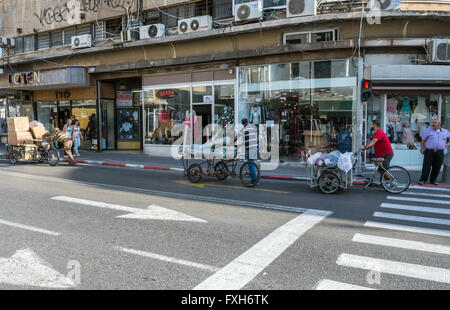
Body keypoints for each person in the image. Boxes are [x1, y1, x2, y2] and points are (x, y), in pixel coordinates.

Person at [419, 119, 450, 185]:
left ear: (439, 124)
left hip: (440, 152)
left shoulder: (446, 132)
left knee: (437, 166)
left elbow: (449, 138)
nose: (433, 124)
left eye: (435, 122)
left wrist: (447, 144)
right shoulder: (428, 131)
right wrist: (422, 148)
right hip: (429, 151)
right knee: (426, 166)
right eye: (433, 122)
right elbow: (423, 140)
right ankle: (423, 179)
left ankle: (433, 180)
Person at [234, 118, 258, 185]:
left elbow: (236, 138)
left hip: (249, 149)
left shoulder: (244, 129)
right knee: (251, 163)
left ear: (242, 123)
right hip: (255, 148)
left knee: (251, 164)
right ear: (247, 122)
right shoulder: (252, 128)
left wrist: (230, 143)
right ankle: (254, 176)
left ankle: (254, 180)